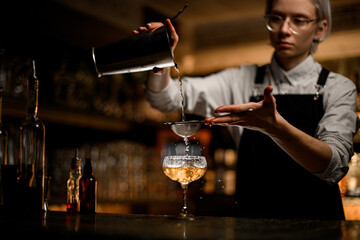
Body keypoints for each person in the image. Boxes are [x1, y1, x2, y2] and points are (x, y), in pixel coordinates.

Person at [137, 0, 359, 220]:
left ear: (321, 28)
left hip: (320, 227)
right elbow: (165, 99)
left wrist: (276, 128)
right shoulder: (239, 79)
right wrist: (160, 58)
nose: (283, 30)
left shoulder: (338, 87)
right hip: (252, 224)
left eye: (299, 21)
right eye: (276, 18)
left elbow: (334, 167)